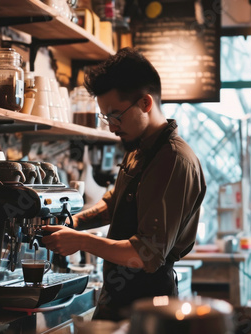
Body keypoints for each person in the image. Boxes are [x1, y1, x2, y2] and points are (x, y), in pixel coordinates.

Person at [42, 47, 207, 321]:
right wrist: (74, 224)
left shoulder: (173, 160)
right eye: (106, 117)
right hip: (117, 297)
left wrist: (80, 241)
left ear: (145, 103)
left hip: (148, 306)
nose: (111, 127)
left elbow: (145, 255)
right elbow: (114, 203)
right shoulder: (138, 148)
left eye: (116, 115)